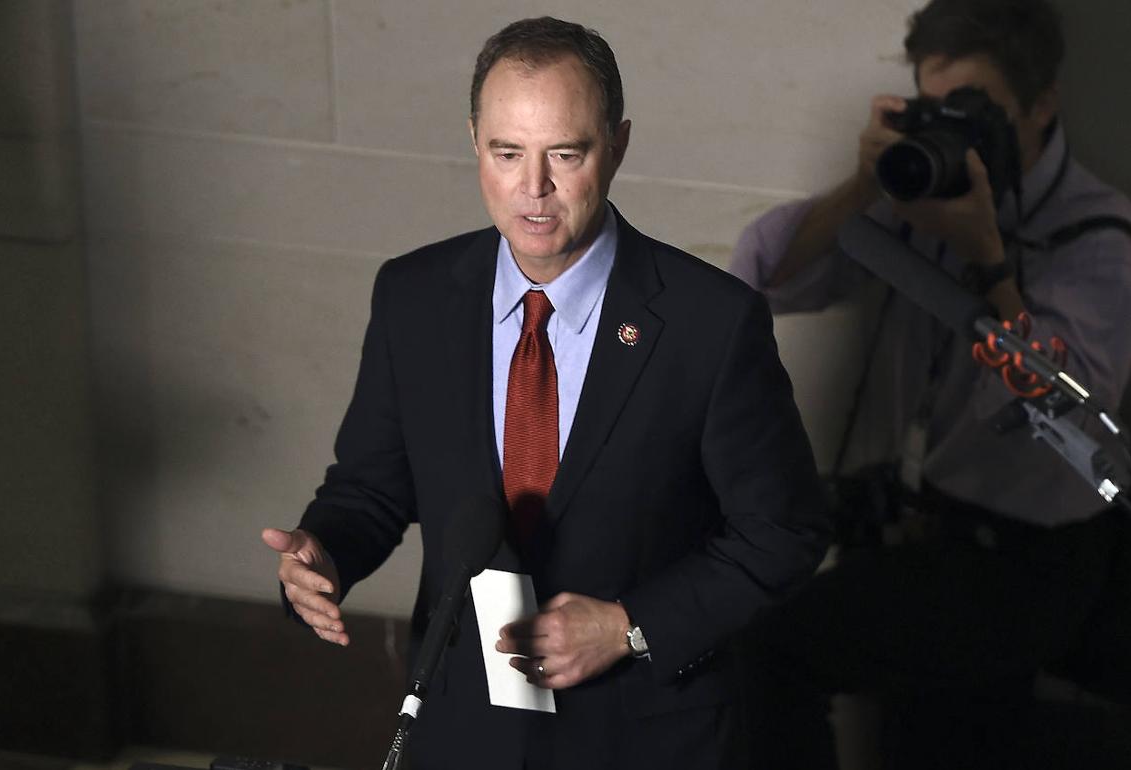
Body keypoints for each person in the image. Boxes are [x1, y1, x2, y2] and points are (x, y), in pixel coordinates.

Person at [260, 16, 828, 770]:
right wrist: (325, 553)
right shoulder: (413, 296)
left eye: (565, 153)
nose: (534, 188)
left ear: (617, 146)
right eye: (507, 153)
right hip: (462, 727)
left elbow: (784, 532)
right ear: (474, 141)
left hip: (643, 736)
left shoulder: (711, 323)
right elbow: (371, 486)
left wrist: (627, 626)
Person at [729, 0, 1131, 767]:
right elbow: (764, 276)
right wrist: (863, 186)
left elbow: (1069, 423)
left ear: (1042, 105)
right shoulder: (922, 190)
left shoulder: (1098, 239)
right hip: (921, 526)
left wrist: (988, 259)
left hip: (1028, 560)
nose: (955, 132)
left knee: (772, 650)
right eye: (937, 108)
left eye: (975, 111)